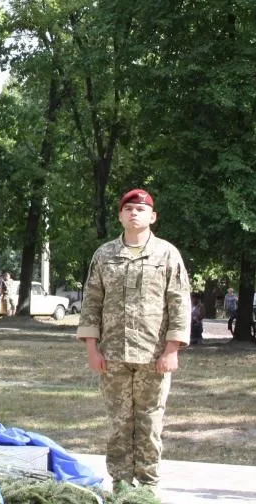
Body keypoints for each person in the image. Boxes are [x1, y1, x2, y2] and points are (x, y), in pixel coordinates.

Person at [76, 189, 190, 490]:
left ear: (152, 217)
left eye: (141, 209)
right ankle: (122, 485)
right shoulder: (104, 255)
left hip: (153, 357)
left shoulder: (167, 254)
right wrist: (91, 347)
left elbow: (179, 302)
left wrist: (172, 349)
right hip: (113, 355)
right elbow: (92, 302)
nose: (134, 213)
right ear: (120, 216)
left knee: (150, 424)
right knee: (118, 424)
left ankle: (149, 486)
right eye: (128, 208)